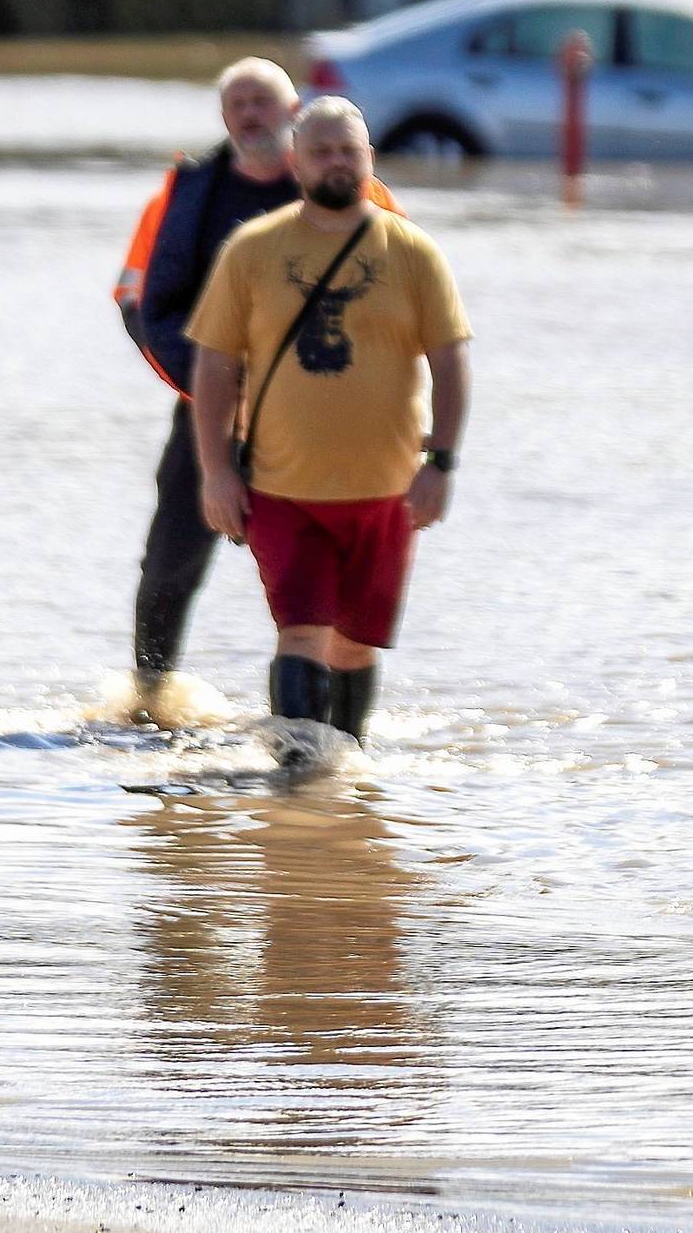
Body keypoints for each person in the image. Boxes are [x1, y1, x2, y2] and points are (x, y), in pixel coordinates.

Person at [186, 98, 470, 742]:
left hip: (387, 490)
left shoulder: (413, 252)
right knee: (302, 630)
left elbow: (450, 365)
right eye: (321, 152)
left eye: (349, 151)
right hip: (285, 489)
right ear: (296, 163)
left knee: (354, 644)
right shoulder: (254, 250)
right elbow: (212, 368)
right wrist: (215, 474)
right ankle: (299, 771)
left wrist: (442, 465)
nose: (337, 163)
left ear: (369, 159)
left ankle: (347, 767)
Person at [113, 59, 396, 698]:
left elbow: (404, 301)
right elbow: (139, 303)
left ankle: (324, 729)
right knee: (169, 561)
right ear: (222, 117)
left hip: (323, 417)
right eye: (237, 104)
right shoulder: (184, 195)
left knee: (324, 569)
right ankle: (149, 698)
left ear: (293, 110)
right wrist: (212, 394)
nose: (250, 115)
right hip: (209, 409)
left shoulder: (351, 190)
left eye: (263, 102)